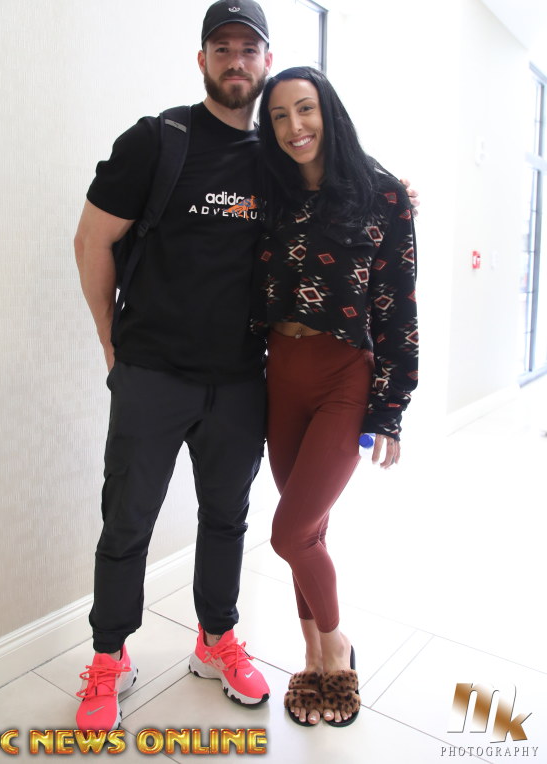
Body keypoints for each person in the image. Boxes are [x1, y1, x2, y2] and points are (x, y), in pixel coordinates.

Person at [73, 0, 275, 731]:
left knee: (227, 518)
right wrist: (110, 342)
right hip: (153, 375)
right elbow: (92, 241)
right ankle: (109, 657)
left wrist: (395, 193)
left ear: (267, 62)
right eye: (222, 48)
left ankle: (216, 639)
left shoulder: (278, 158)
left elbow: (342, 190)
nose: (235, 60)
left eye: (248, 49)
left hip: (241, 380)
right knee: (127, 521)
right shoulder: (158, 140)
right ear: (202, 60)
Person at [251, 66, 418, 728]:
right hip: (281, 374)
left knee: (289, 532)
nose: (294, 126)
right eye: (279, 115)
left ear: (329, 112)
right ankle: (312, 658)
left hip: (344, 377)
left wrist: (391, 408)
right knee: (310, 531)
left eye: (306, 109)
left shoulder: (383, 195)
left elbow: (398, 306)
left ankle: (337, 646)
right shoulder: (271, 193)